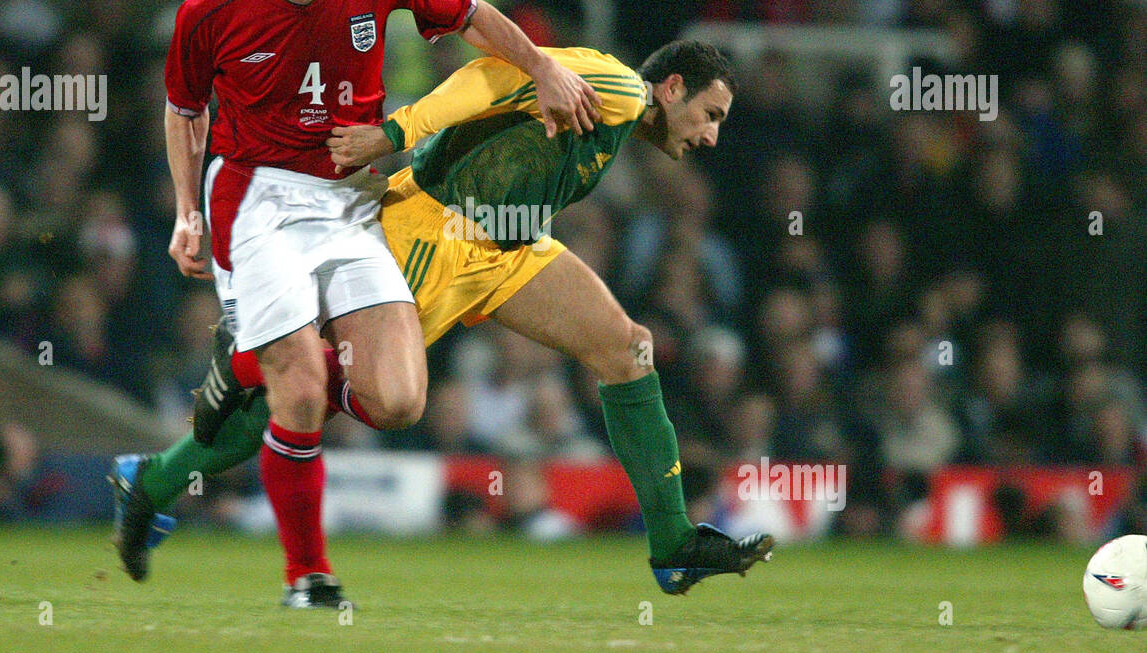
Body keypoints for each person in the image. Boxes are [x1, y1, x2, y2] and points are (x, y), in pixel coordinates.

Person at [114, 39, 773, 604]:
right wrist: (396, 132)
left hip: (507, 246)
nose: (711, 134)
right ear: (673, 85)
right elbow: (491, 75)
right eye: (710, 114)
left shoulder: (621, 119)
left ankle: (673, 543)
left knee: (627, 347)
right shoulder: (619, 88)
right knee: (296, 399)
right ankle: (157, 475)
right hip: (432, 231)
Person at [114, 0, 601, 598]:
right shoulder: (209, 10)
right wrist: (186, 212)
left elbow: (471, 15)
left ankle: (214, 400)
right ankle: (308, 575)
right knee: (304, 388)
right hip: (256, 199)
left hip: (352, 197)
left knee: (397, 399)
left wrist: (542, 67)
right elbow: (184, 111)